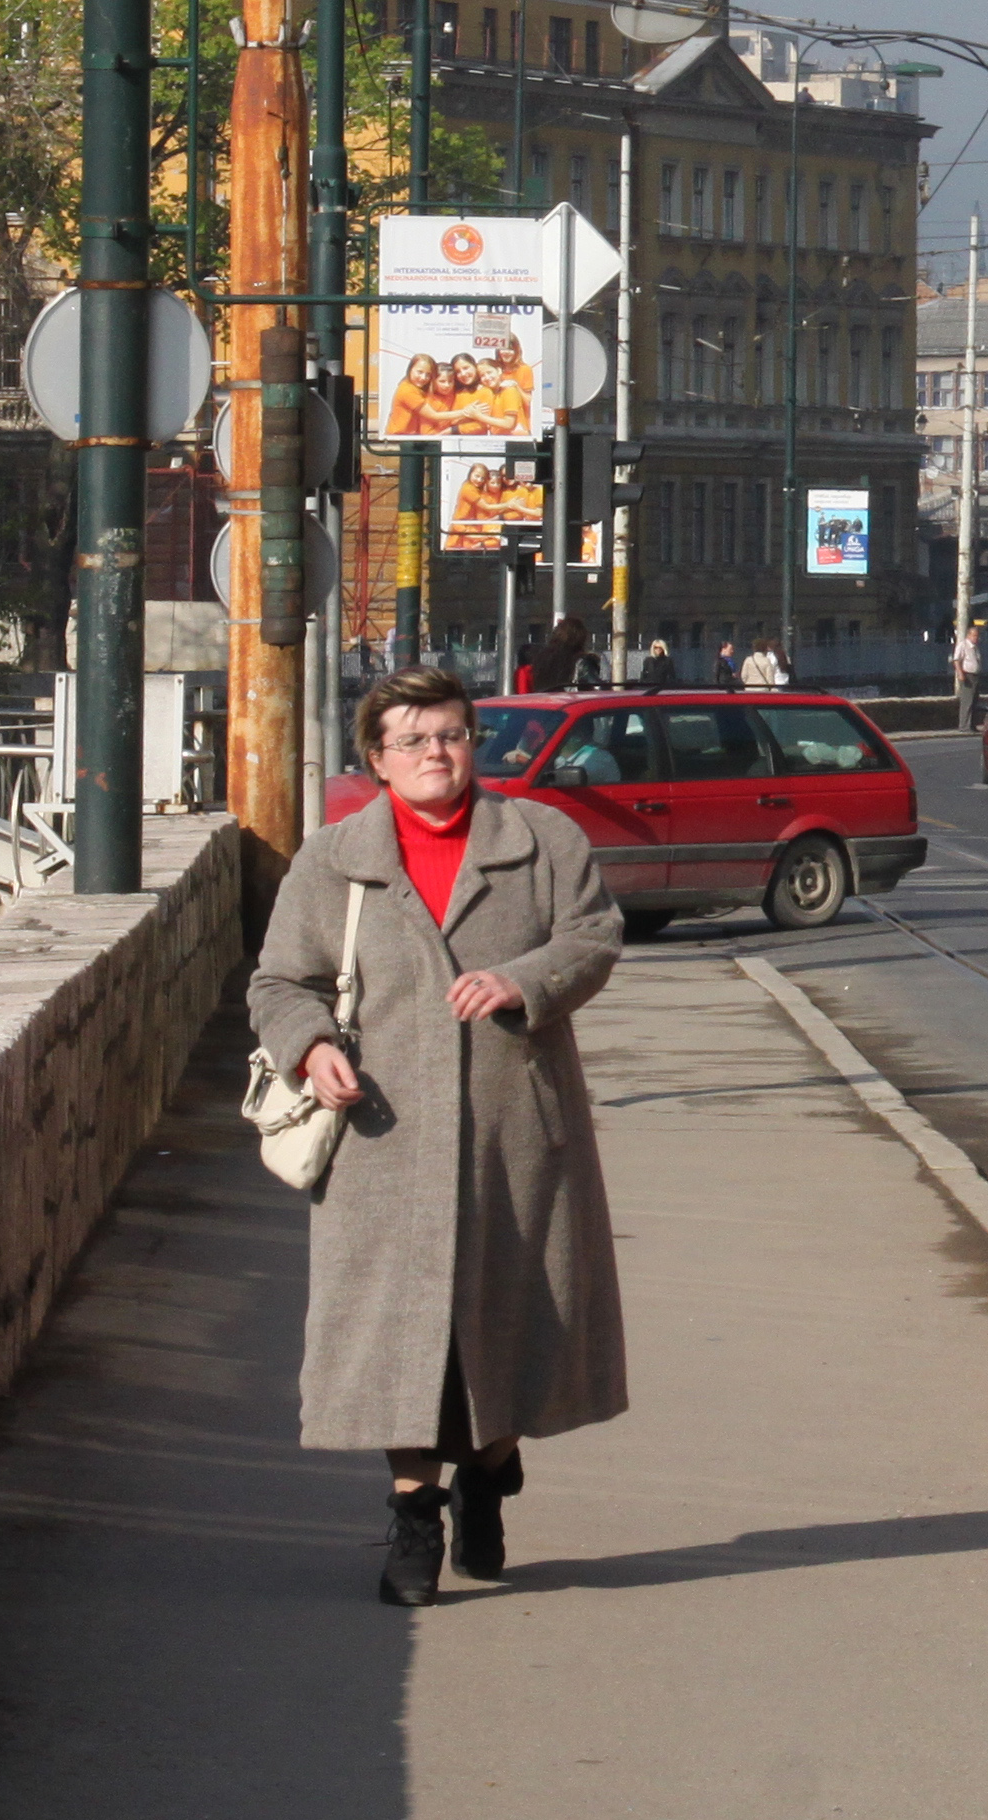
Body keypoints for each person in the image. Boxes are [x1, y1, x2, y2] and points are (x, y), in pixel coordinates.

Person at [248, 668, 628, 1607]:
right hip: (382, 1135)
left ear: (474, 743)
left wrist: (522, 981)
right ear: (376, 759)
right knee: (396, 1332)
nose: (435, 755)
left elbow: (595, 938)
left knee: (507, 1318)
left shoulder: (542, 840)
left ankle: (490, 1475)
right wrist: (308, 1049)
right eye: (413, 741)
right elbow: (278, 984)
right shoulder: (333, 860)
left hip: (517, 1132)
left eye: (452, 735)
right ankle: (414, 1511)